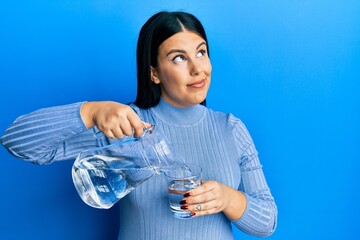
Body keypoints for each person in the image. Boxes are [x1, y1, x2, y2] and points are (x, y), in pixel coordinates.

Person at [0, 11, 277, 239]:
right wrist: (90, 111)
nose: (197, 68)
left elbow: (267, 222)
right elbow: (16, 142)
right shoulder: (125, 125)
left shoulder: (230, 128)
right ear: (154, 73)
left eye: (201, 52)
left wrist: (227, 199)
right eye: (179, 58)